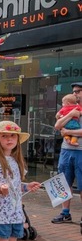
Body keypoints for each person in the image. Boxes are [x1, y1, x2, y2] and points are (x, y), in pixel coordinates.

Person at [53, 82, 82, 228]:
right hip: (66, 150)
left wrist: (68, 132)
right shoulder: (67, 109)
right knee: (64, 182)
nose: (75, 93)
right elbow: (58, 126)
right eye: (74, 91)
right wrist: (70, 114)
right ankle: (65, 212)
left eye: (78, 91)